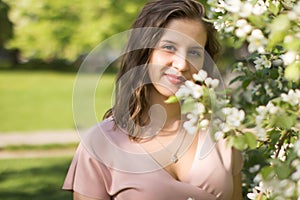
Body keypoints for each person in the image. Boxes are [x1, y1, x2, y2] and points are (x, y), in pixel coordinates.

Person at [63, 0, 243, 199]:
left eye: (194, 52)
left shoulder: (221, 134)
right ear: (144, 51)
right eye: (169, 47)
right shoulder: (100, 144)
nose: (182, 64)